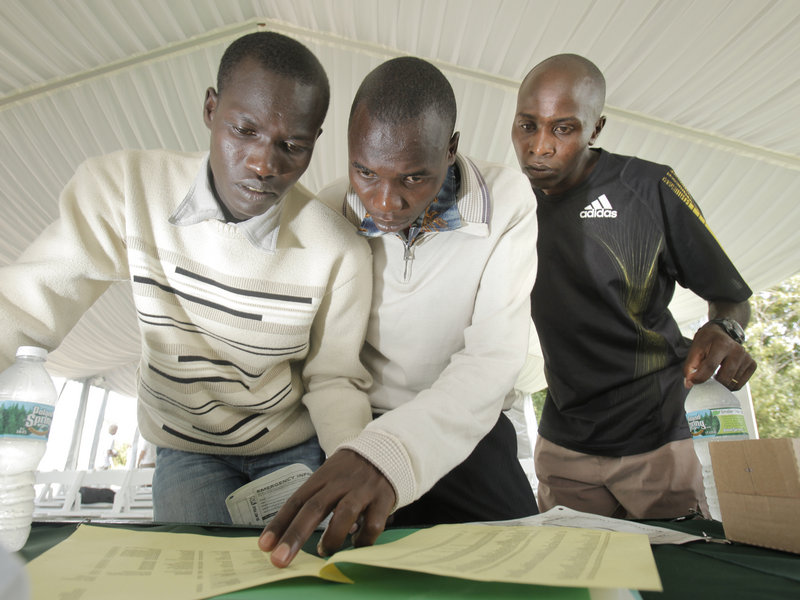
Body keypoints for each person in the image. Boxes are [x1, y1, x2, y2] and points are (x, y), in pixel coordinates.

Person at [0, 32, 373, 524]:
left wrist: (353, 458)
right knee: (196, 578)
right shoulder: (125, 191)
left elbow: (333, 378)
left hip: (288, 448)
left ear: (314, 143)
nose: (264, 164)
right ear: (210, 110)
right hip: (185, 447)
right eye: (244, 130)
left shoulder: (337, 250)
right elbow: (28, 303)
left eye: (292, 145)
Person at [259, 56, 539, 568]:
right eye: (364, 171)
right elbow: (329, 370)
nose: (384, 202)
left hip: (466, 426)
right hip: (358, 430)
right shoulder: (328, 213)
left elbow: (491, 359)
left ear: (450, 149)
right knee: (350, 572)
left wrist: (389, 457)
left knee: (518, 567)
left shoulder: (507, 203)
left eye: (413, 177)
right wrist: (357, 453)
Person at [511, 53, 757, 519]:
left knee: (673, 579)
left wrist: (726, 329)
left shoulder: (649, 187)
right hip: (564, 441)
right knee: (577, 585)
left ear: (595, 129)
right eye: (527, 125)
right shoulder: (506, 202)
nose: (539, 146)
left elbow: (732, 296)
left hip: (656, 437)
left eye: (562, 129)